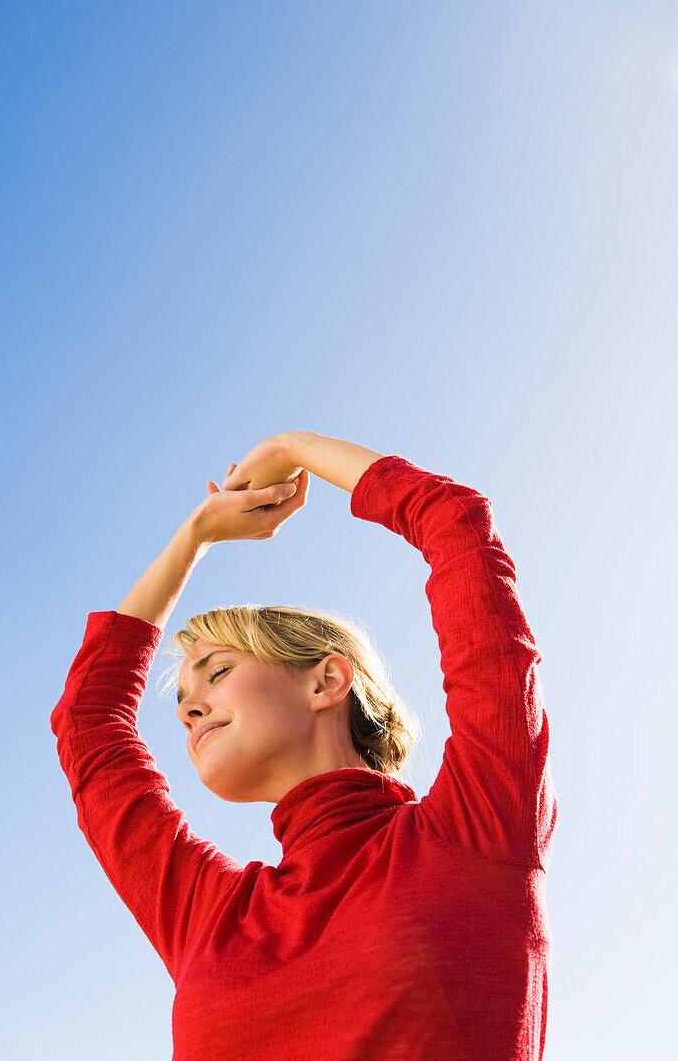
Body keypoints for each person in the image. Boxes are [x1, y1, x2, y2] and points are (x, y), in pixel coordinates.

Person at [51, 429, 557, 1061]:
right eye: (182, 698)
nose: (188, 708)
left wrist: (294, 448)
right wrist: (196, 535)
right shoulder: (208, 916)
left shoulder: (478, 823)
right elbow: (87, 720)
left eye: (218, 670)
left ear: (326, 679)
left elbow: (454, 522)